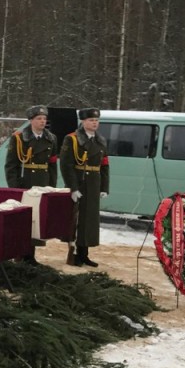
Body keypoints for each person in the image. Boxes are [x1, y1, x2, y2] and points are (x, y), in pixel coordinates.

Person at [59, 107, 110, 267]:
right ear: (83, 122)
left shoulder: (100, 140)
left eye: (96, 120)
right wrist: (73, 187)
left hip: (94, 182)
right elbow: (66, 165)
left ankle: (84, 253)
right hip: (80, 181)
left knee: (89, 220)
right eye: (91, 120)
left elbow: (104, 165)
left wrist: (104, 187)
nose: (94, 123)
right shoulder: (72, 139)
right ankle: (74, 254)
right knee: (76, 220)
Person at [4, 105, 59, 189]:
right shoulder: (19, 138)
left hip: (44, 182)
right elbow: (11, 165)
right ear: (31, 120)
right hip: (26, 182)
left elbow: (52, 166)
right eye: (39, 118)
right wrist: (14, 187)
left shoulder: (51, 138)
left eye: (44, 118)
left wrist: (52, 186)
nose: (43, 121)